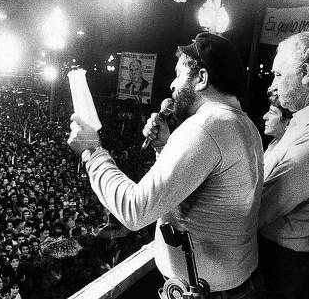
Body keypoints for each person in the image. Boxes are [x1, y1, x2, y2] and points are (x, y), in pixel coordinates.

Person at [68, 32, 264, 297]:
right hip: (232, 284)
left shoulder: (206, 127)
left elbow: (135, 210)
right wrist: (164, 146)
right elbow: (188, 192)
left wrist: (92, 151)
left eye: (178, 74)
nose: (172, 84)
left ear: (201, 78)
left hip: (206, 291)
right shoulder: (245, 125)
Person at [258, 31, 309, 299]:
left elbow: (258, 210)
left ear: (305, 73)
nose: (273, 84)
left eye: (278, 75)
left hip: (283, 269)